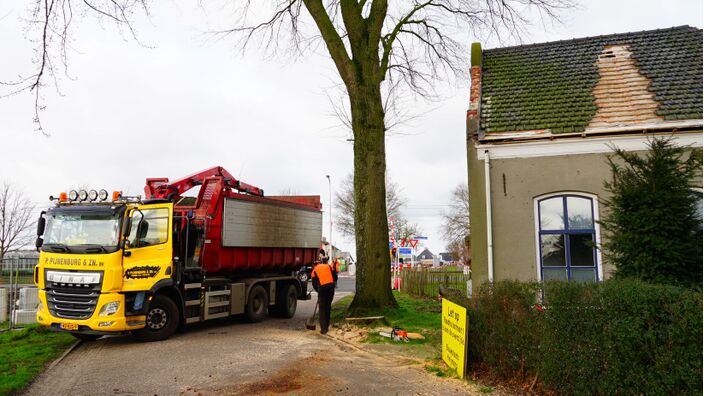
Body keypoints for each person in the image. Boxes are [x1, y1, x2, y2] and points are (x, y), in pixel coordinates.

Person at [311, 257, 337, 334]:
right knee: (328, 306)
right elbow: (335, 277)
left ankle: (323, 329)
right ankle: (327, 326)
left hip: (322, 289)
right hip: (331, 288)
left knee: (322, 308)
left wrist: (318, 290)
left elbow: (314, 284)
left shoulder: (314, 270)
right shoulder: (328, 266)